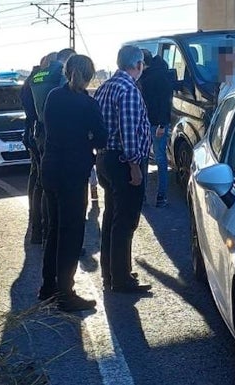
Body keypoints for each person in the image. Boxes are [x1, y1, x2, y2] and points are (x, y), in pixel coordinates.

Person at [38, 54, 108, 311]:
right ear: (89, 76)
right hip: (73, 173)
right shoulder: (87, 104)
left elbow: (49, 128)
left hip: (51, 168)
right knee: (71, 234)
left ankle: (47, 287)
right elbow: (101, 138)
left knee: (54, 229)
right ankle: (66, 293)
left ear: (67, 72)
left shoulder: (53, 97)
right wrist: (87, 139)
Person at [94, 45, 152, 293]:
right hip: (124, 162)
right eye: (142, 65)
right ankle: (121, 278)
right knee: (125, 221)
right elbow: (128, 131)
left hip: (105, 159)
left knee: (111, 218)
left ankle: (111, 273)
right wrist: (135, 167)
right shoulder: (128, 90)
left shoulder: (104, 87)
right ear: (138, 64)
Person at [29, 48, 76, 247]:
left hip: (38, 130)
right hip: (56, 134)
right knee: (61, 187)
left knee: (41, 183)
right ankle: (53, 233)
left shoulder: (36, 75)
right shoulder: (60, 75)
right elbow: (66, 101)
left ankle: (38, 232)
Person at [20, 54, 51, 245]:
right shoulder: (44, 83)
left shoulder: (31, 80)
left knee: (36, 179)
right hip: (39, 134)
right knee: (42, 183)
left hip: (31, 133)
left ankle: (35, 224)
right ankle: (41, 227)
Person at [138, 49, 174, 208]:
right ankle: (143, 195)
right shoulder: (149, 74)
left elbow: (165, 101)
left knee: (159, 159)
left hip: (156, 124)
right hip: (145, 123)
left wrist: (162, 124)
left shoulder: (158, 76)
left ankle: (161, 195)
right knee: (146, 159)